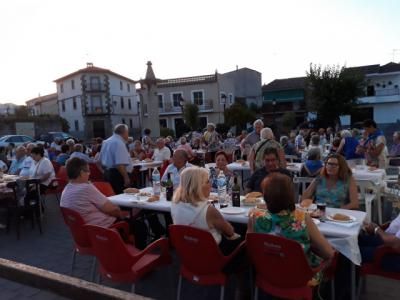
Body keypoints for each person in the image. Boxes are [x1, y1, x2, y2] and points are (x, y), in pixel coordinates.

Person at [248, 173, 334, 284]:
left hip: (267, 275)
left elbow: (251, 248)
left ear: (265, 196)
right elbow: (329, 253)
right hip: (299, 279)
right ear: (290, 195)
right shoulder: (302, 218)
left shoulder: (254, 217)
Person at [171, 167, 240, 255]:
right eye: (207, 182)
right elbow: (230, 232)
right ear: (198, 186)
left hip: (188, 253)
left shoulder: (175, 204)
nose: (210, 184)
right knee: (242, 233)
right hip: (212, 255)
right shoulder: (209, 211)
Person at [60, 157, 125, 228]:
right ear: (81, 173)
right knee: (136, 224)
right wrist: (121, 215)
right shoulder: (85, 188)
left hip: (85, 231)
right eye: (88, 171)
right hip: (106, 230)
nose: (89, 174)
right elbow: (112, 210)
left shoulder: (66, 190)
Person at [100, 124, 133, 194]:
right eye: (127, 133)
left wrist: (104, 172)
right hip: (117, 175)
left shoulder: (106, 141)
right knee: (121, 198)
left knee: (112, 196)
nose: (128, 135)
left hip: (108, 173)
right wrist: (126, 177)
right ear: (124, 132)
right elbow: (120, 164)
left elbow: (99, 160)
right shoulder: (119, 142)